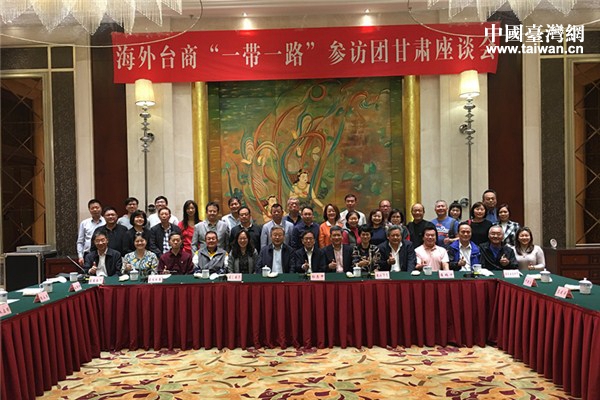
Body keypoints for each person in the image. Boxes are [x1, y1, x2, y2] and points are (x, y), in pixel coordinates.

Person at [76, 198, 105, 266]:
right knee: (88, 272)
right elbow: (80, 241)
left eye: (97, 207)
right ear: (89, 210)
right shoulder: (84, 223)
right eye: (92, 208)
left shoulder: (106, 222)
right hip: (88, 254)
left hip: (104, 254)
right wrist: (80, 256)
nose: (95, 210)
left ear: (101, 208)